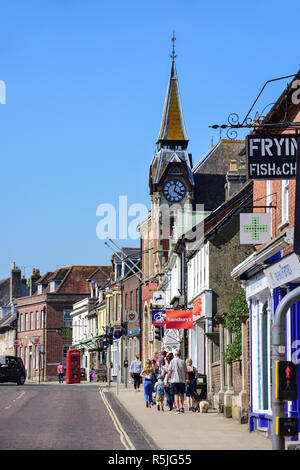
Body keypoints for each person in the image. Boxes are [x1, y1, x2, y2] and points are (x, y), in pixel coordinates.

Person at [167, 349, 189, 414]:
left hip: (174, 380)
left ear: (175, 355)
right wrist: (187, 379)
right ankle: (182, 407)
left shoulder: (172, 361)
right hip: (182, 380)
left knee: (176, 394)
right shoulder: (183, 362)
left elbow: (169, 371)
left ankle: (178, 408)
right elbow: (186, 372)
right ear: (180, 355)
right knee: (182, 394)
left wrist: (167, 379)